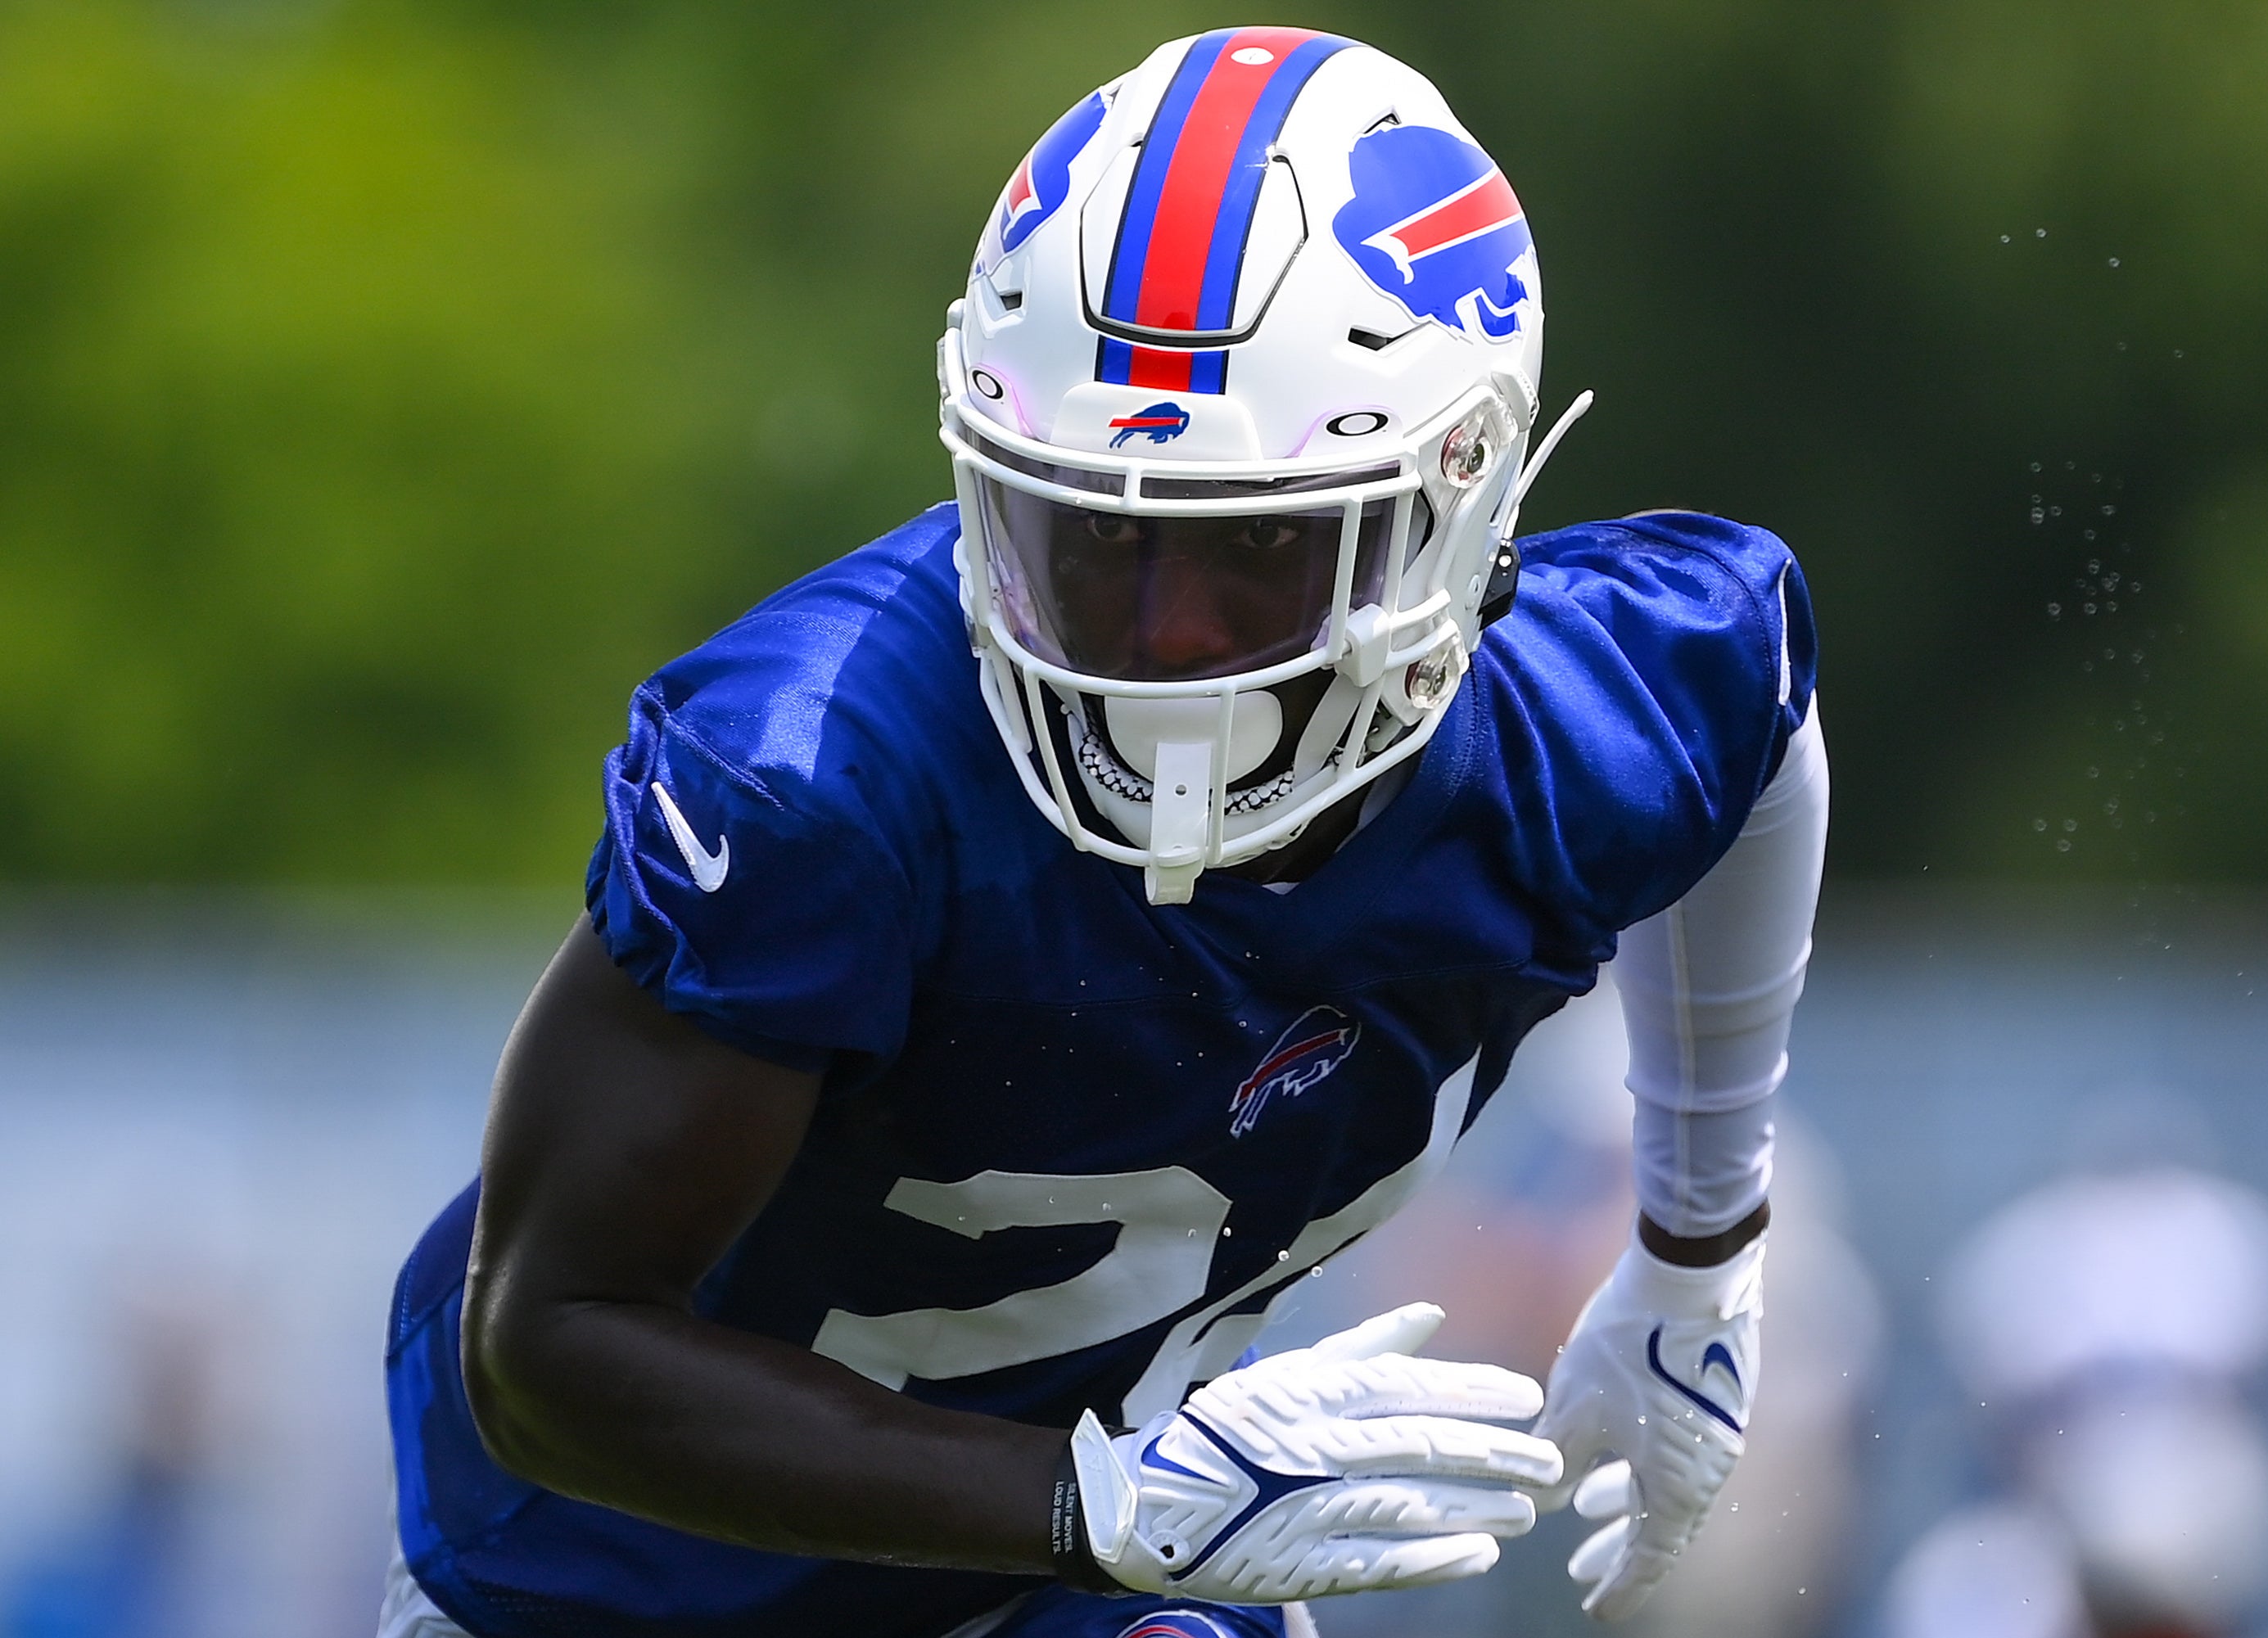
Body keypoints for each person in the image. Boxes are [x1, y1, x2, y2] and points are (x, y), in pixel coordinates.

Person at [380, 26, 1828, 1638]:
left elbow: (1764, 729)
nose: (1163, 636)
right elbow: (551, 1336)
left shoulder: (1590, 714)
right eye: (1087, 537)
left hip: (1082, 1576)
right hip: (612, 1593)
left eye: (1259, 544)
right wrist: (1101, 1500)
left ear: (1460, 505)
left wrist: (1704, 1249)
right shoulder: (818, 777)